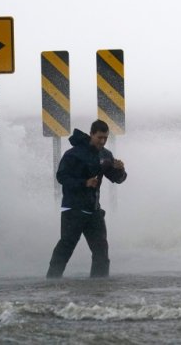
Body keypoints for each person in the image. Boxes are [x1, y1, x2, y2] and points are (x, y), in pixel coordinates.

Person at [46, 119, 127, 279]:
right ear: (91, 135)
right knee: (66, 247)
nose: (102, 141)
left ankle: (99, 286)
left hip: (94, 211)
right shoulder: (73, 154)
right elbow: (61, 177)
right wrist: (84, 183)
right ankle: (51, 281)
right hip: (73, 210)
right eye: (99, 137)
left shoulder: (105, 155)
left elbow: (117, 179)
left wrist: (120, 170)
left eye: (105, 138)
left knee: (101, 251)